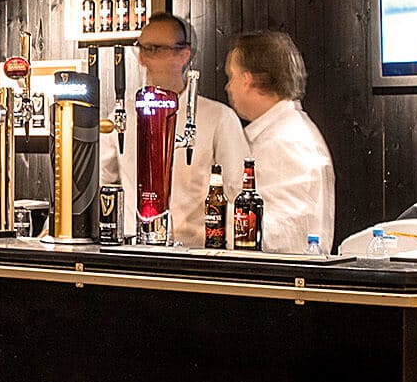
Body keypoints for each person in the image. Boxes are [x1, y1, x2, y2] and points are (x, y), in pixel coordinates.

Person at [102, 14, 248, 247]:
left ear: (184, 55)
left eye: (156, 49)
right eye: (143, 49)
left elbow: (236, 191)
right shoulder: (124, 115)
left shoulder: (217, 117)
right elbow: (100, 178)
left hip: (195, 256)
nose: (145, 59)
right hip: (133, 252)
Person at [225, 30, 335, 255]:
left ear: (248, 80)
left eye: (232, 76)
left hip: (280, 282)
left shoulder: (286, 141)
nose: (229, 87)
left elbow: (287, 234)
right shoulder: (279, 133)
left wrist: (211, 219)